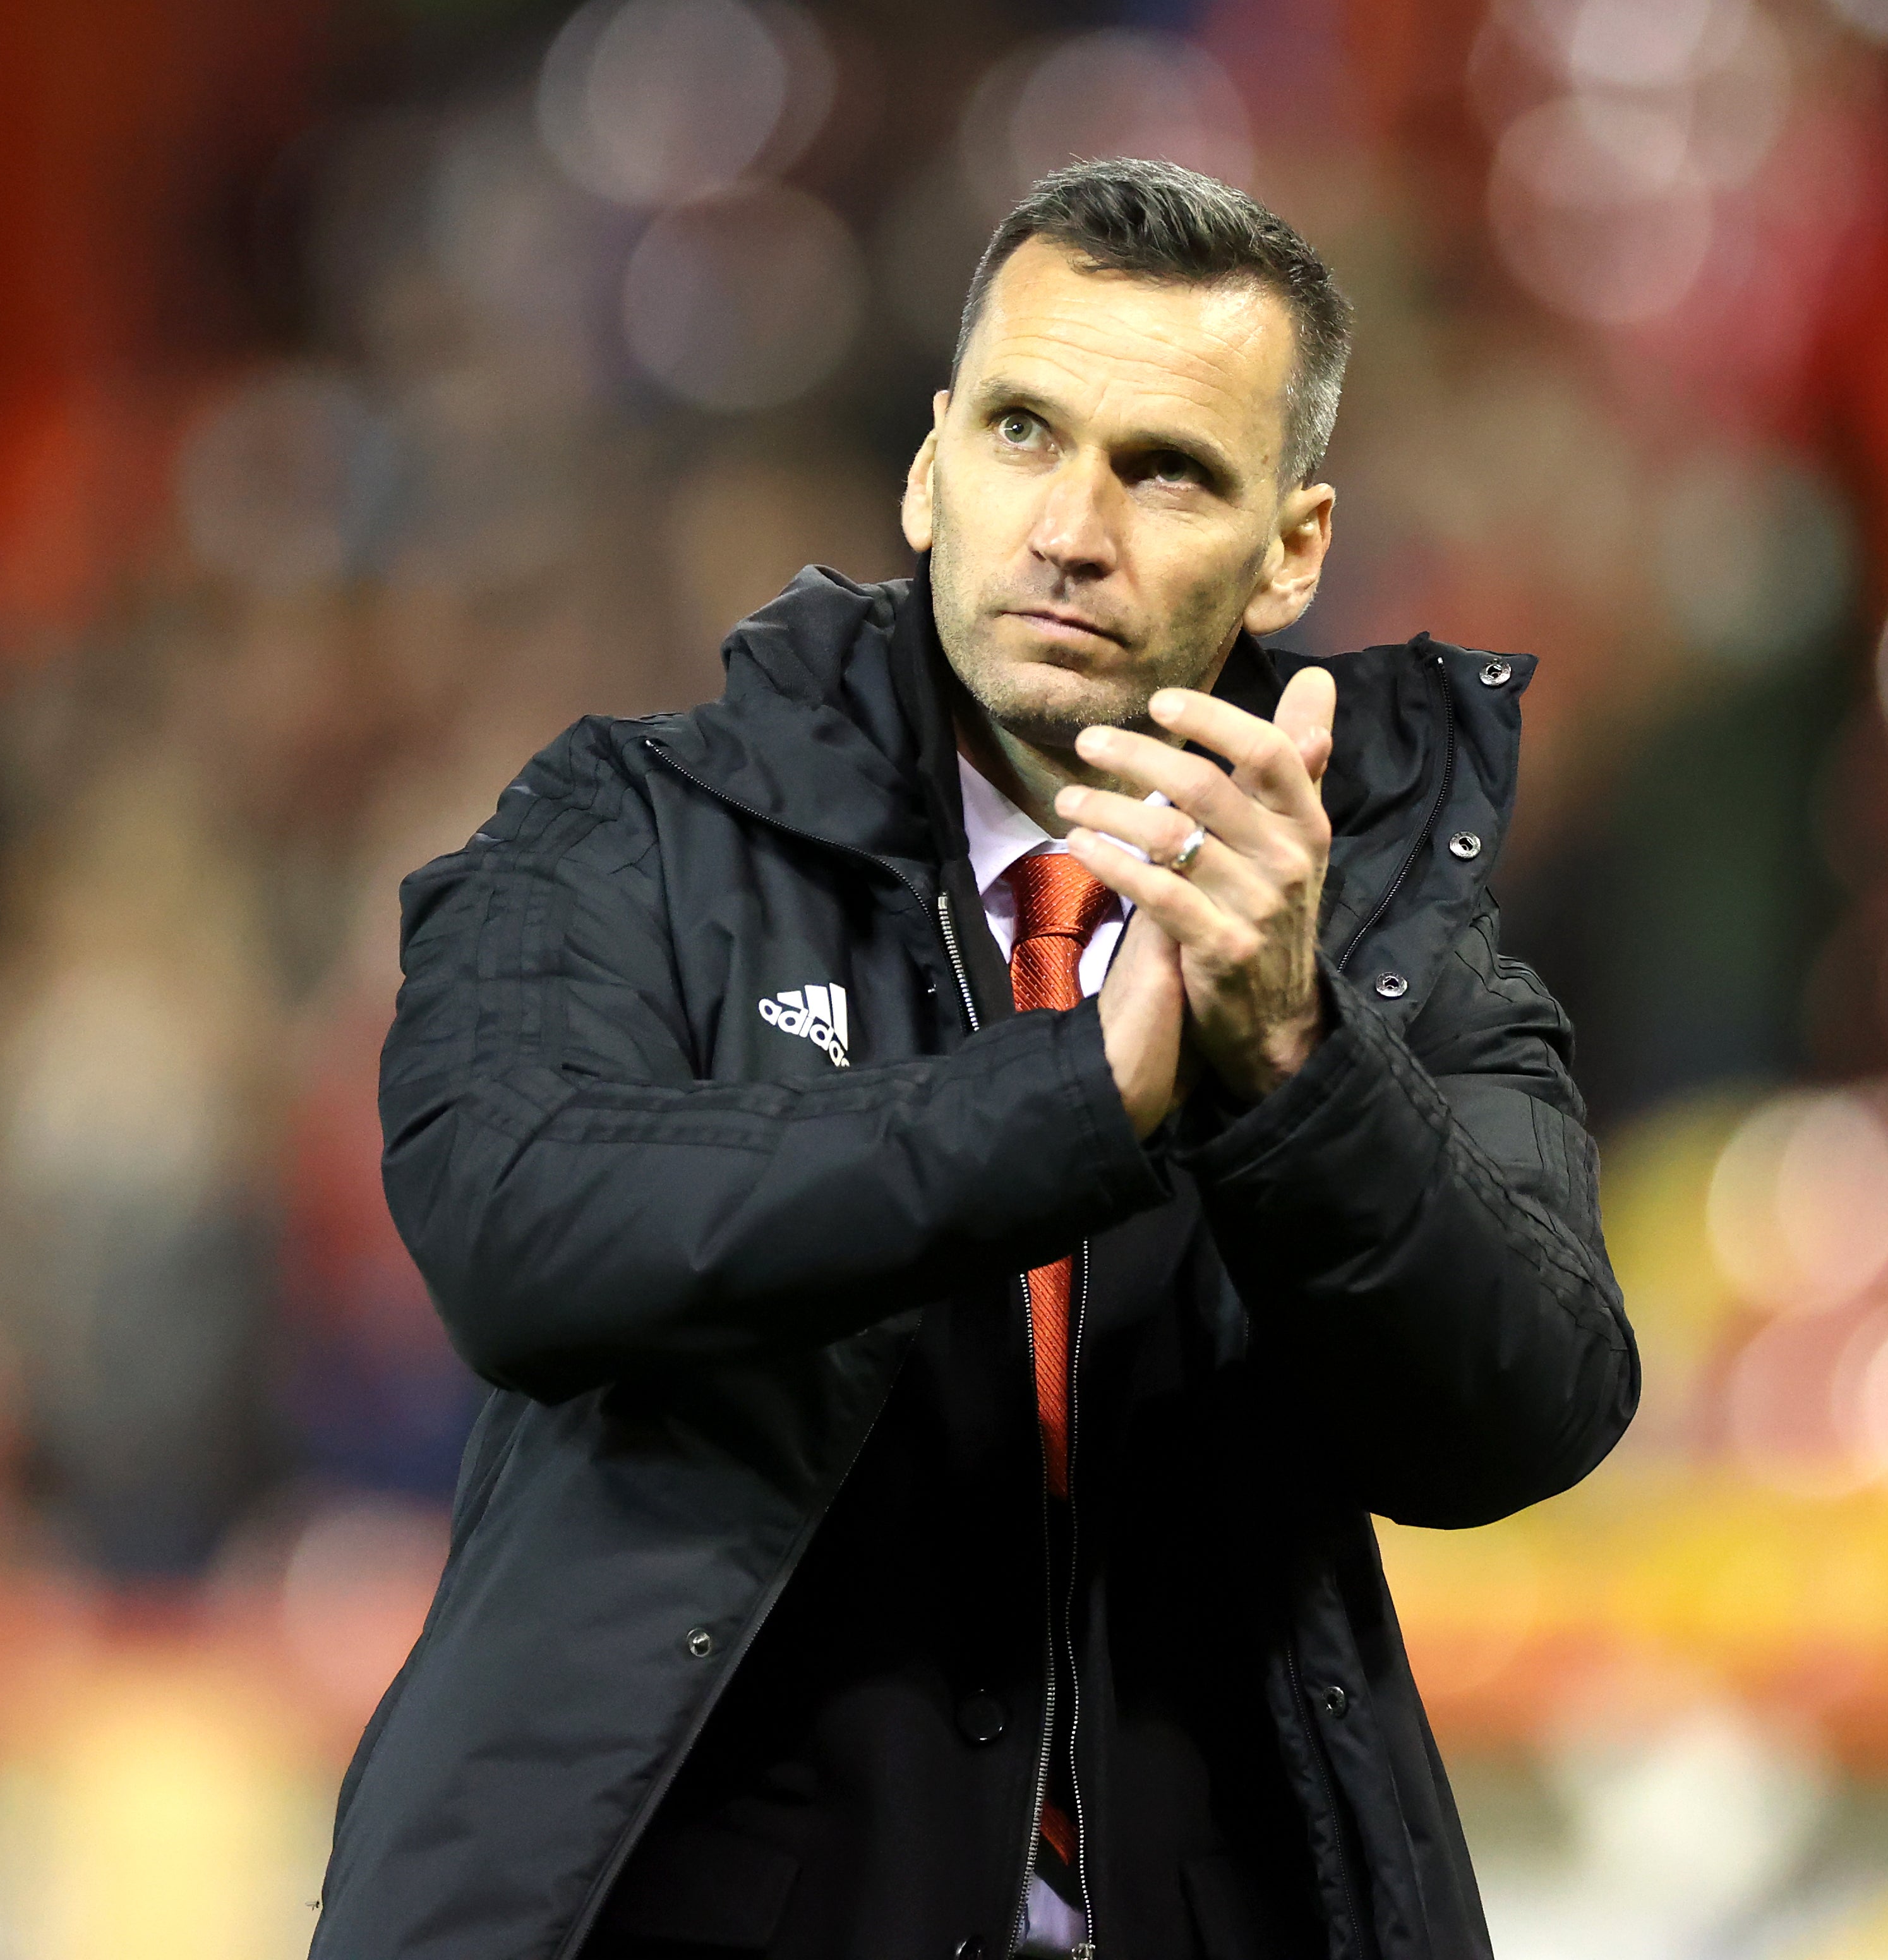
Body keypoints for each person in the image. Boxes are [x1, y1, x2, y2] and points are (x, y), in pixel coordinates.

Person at [311, 158, 1637, 1960]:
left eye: (1167, 471)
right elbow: (516, 1227)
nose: (1071, 529)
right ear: (931, 469)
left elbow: (1528, 1410)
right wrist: (1083, 1095)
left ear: (1295, 546)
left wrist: (1296, 1067)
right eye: (1024, 433)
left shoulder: (1383, 933)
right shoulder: (632, 829)